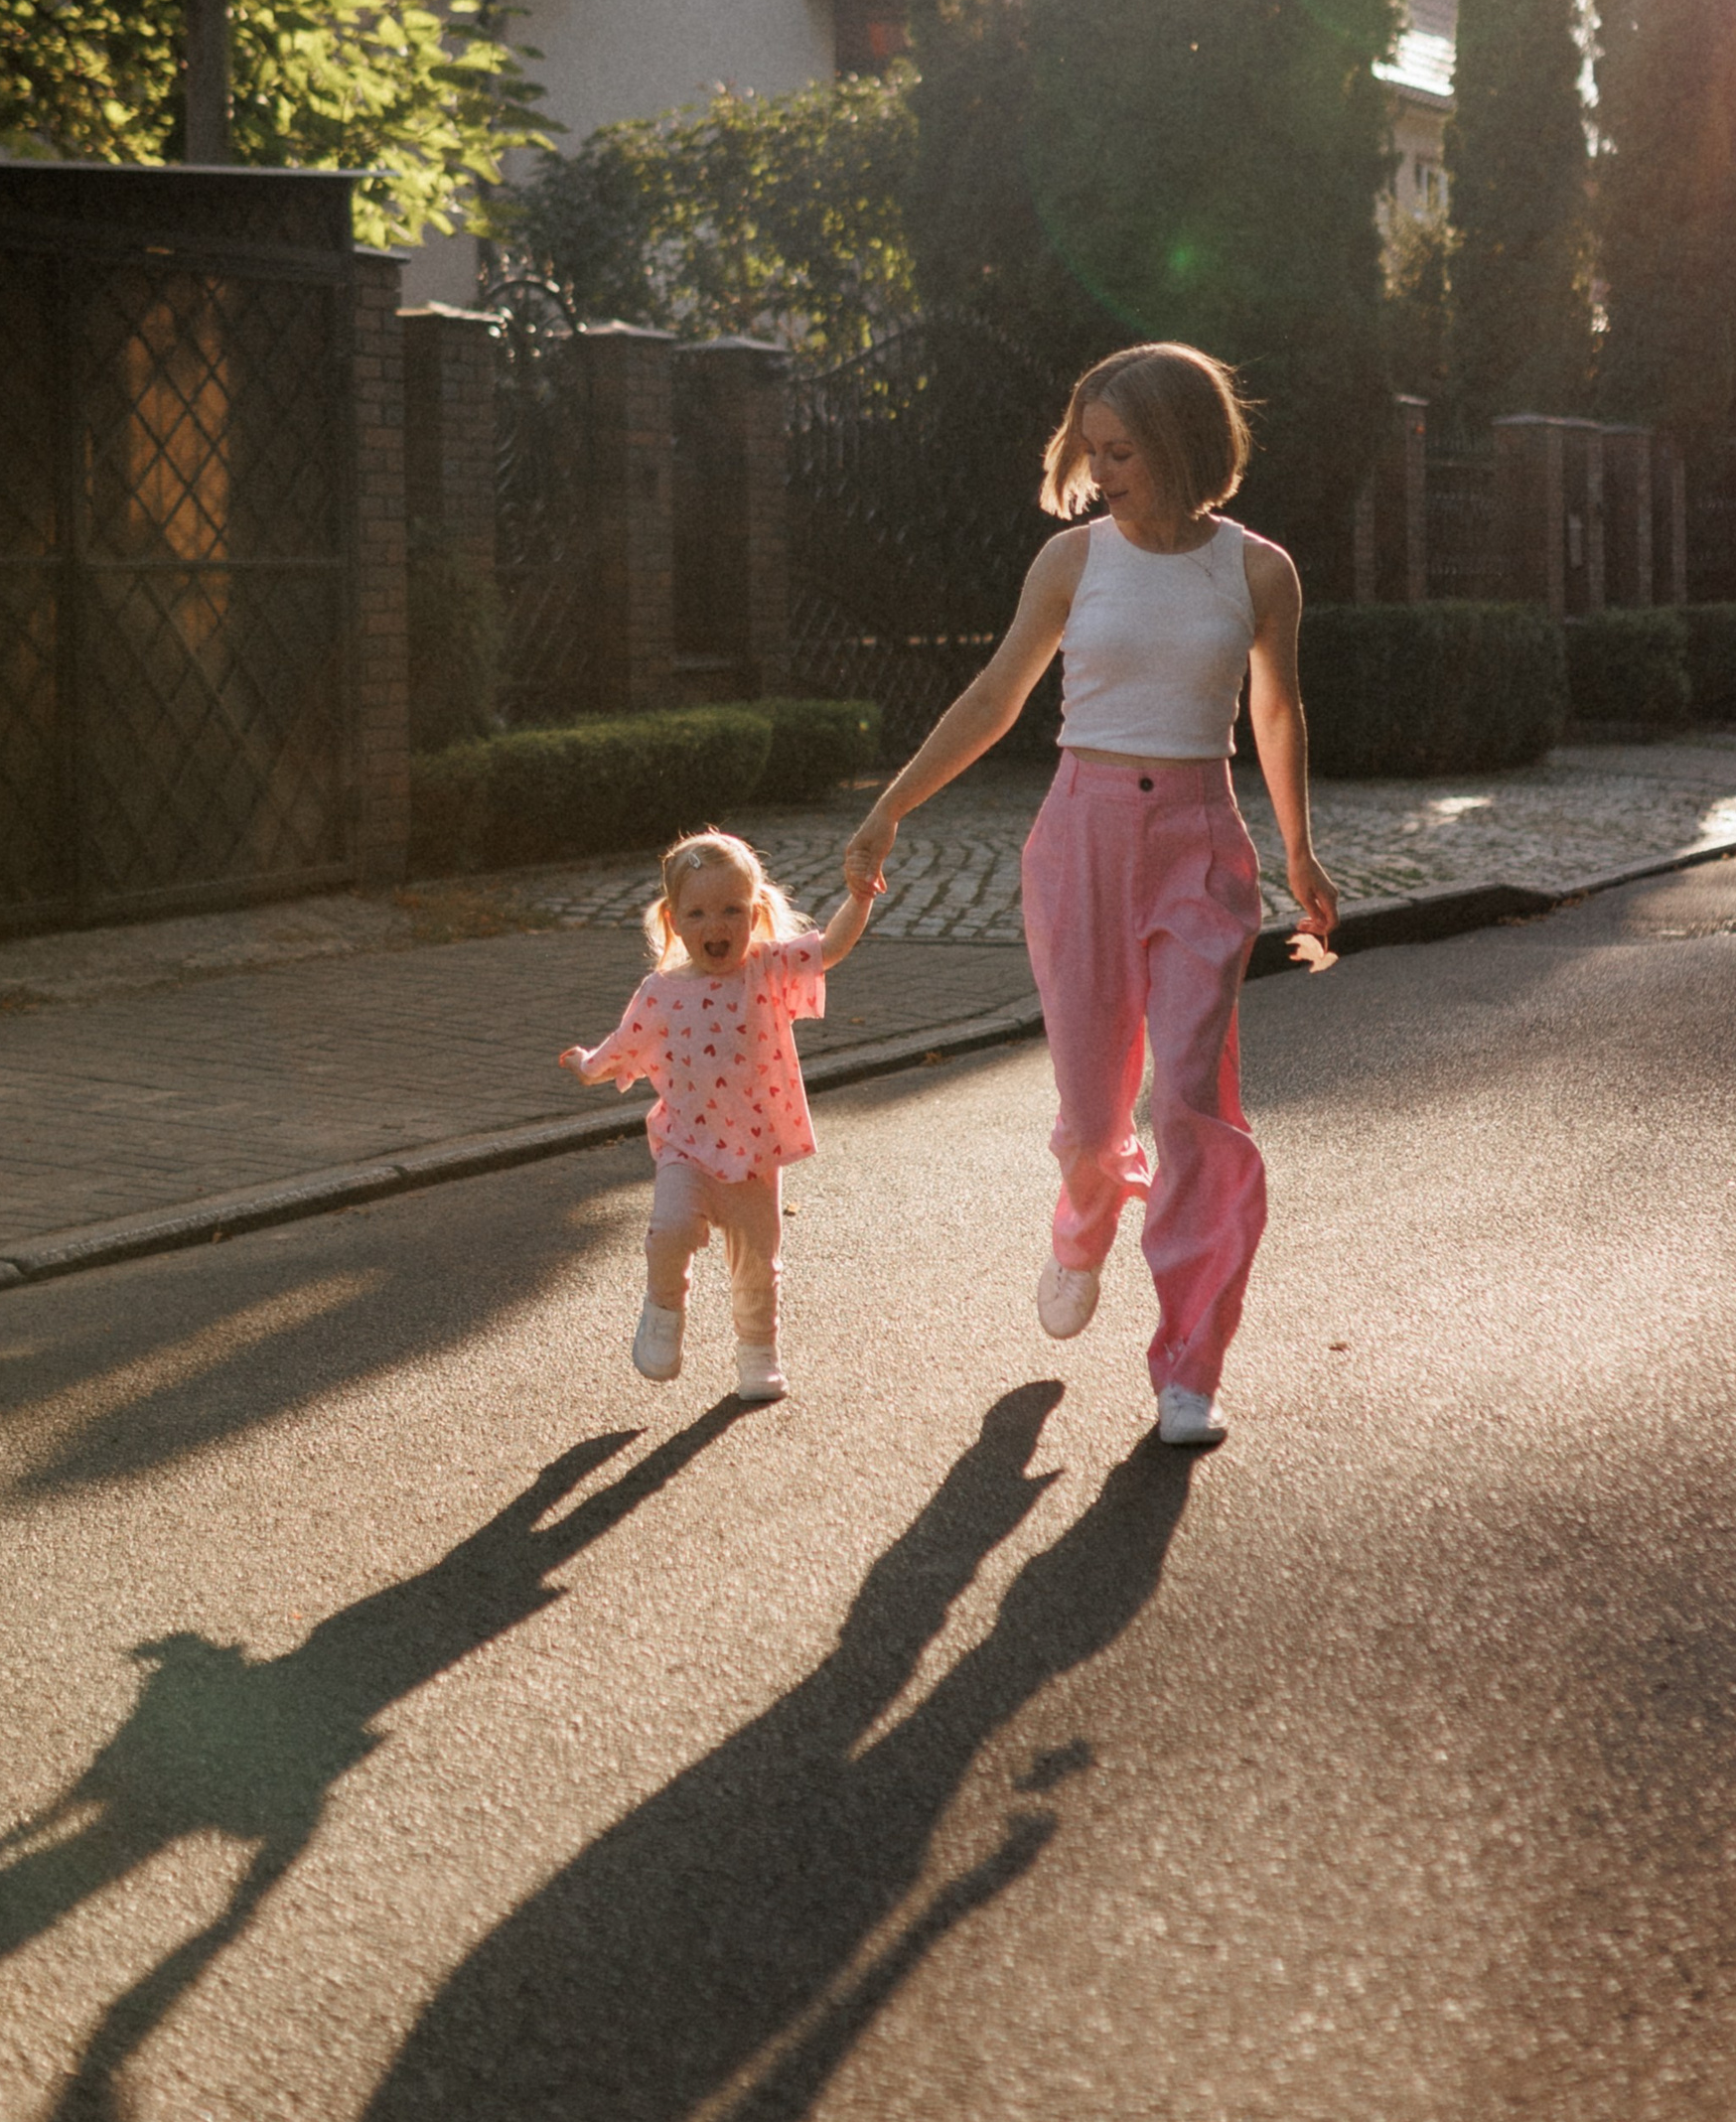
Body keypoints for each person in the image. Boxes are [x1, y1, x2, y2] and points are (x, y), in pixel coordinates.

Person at [842, 343, 1340, 1449]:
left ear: (1181, 446)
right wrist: (890, 807)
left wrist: (1300, 847)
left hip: (1200, 840)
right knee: (1092, 1104)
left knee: (1194, 1104)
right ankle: (1084, 1208)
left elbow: (1276, 712)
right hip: (1082, 833)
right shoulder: (1072, 562)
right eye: (1090, 450)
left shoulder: (1257, 571)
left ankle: (1189, 1365)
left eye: (1121, 450)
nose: (1101, 469)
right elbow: (994, 695)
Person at [561, 829, 875, 1404]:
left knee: (758, 1263)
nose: (717, 926)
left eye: (732, 910)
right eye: (699, 912)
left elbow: (830, 946)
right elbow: (622, 1045)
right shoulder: (659, 991)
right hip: (685, 1144)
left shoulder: (767, 970)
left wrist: (860, 896)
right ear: (675, 921)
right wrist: (588, 1066)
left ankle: (758, 1353)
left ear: (754, 915)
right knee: (671, 1229)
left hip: (755, 1149)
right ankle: (663, 1311)